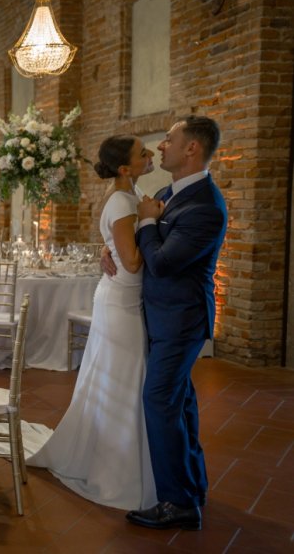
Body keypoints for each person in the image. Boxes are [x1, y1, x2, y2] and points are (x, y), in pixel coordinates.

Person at [26, 135, 157, 511]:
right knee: (121, 381)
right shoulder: (122, 200)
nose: (150, 155)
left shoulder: (132, 194)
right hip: (121, 303)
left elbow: (121, 249)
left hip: (123, 298)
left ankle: (117, 458)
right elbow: (132, 262)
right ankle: (114, 470)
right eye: (142, 153)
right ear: (124, 168)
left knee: (120, 378)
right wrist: (149, 223)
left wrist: (124, 236)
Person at [116, 115, 226, 531]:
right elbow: (145, 252)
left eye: (168, 139)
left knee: (159, 400)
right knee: (179, 403)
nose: (161, 146)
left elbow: (161, 263)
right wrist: (117, 251)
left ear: (191, 149)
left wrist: (146, 221)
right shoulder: (169, 192)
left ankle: (177, 503)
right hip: (163, 317)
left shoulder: (205, 207)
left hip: (181, 320)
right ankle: (193, 485)